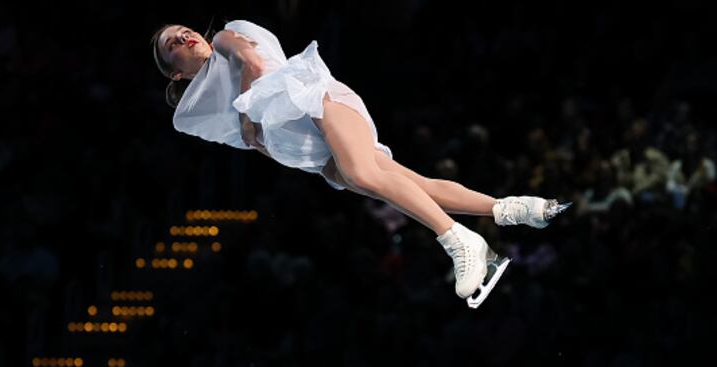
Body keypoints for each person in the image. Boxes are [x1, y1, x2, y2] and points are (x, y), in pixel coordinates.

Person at [150, 20, 570, 307]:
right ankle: (512, 209)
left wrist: (245, 118)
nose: (183, 36)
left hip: (316, 99)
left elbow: (255, 65)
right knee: (406, 183)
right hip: (311, 146)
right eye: (172, 43)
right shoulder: (198, 112)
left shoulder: (225, 38)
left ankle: (460, 241)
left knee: (361, 173)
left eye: (183, 30)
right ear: (174, 75)